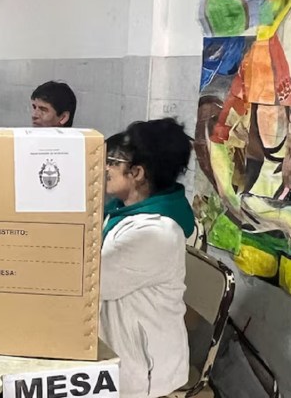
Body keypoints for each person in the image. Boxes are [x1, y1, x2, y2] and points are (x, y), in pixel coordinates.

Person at [100, 118, 194, 398]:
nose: (104, 168)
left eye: (113, 161)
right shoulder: (122, 209)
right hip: (120, 347)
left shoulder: (156, 232)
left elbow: (92, 282)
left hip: (143, 371)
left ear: (137, 173)